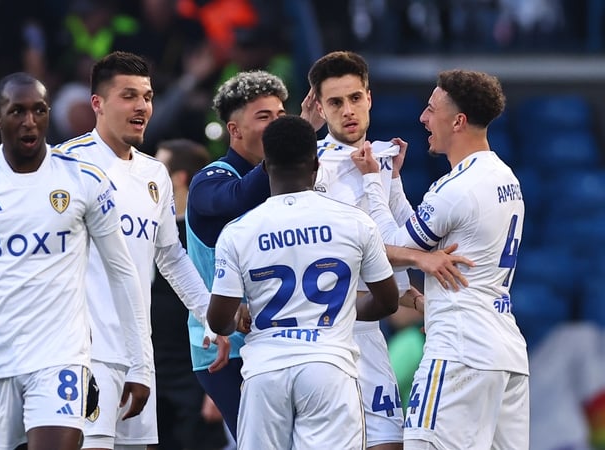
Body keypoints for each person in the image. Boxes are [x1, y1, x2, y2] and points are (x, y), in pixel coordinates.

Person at [0, 72, 152, 450]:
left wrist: (141, 362)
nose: (30, 122)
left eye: (39, 110)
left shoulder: (84, 179)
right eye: (18, 111)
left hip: (62, 356)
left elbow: (122, 271)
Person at [54, 51, 227, 450]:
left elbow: (171, 256)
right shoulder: (65, 165)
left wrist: (210, 315)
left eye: (147, 97)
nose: (142, 107)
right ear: (98, 103)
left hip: (137, 353)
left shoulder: (154, 175)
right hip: (82, 351)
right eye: (128, 96)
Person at [306, 50, 475, 450]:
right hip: (321, 335)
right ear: (320, 108)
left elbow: (400, 236)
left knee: (389, 443)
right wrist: (419, 260)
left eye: (354, 98)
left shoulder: (381, 158)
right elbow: (353, 249)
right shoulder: (311, 167)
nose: (348, 110)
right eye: (335, 102)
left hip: (369, 329)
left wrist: (415, 298)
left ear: (369, 97)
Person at [352, 69, 528, 450]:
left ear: (458, 121)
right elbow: (422, 232)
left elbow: (390, 246)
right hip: (506, 355)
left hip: (459, 352)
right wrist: (394, 185)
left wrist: (373, 182)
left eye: (432, 109)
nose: (423, 118)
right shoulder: (506, 178)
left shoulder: (457, 187)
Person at [206, 114, 401, 449]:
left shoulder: (238, 231)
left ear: (265, 167)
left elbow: (217, 320)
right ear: (316, 164)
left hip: (265, 372)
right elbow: (388, 302)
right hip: (328, 369)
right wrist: (340, 311)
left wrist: (238, 318)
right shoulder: (356, 222)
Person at [185, 70, 287, 439]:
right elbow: (240, 198)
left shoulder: (286, 185)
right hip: (227, 350)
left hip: (279, 341)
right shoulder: (209, 180)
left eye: (281, 117)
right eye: (264, 117)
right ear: (235, 130)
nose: (276, 126)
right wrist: (291, 142)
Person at [151, 139, 227, 450]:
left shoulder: (209, 235)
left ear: (179, 178)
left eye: (160, 170)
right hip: (153, 368)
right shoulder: (146, 229)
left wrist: (217, 388)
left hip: (195, 372)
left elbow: (228, 303)